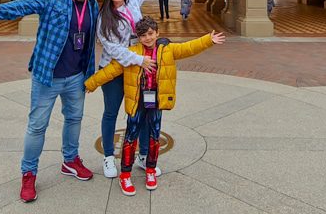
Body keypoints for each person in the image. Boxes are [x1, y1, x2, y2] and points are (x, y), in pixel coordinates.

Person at [0, 0, 100, 203]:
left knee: (74, 119)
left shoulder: (92, 5)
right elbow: (25, 5)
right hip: (47, 75)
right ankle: (28, 173)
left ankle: (70, 161)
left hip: (76, 77)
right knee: (37, 126)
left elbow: (91, 42)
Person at [86, 18, 225, 195]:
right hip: (137, 101)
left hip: (156, 101)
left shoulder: (167, 50)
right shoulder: (131, 53)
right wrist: (91, 83)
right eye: (143, 35)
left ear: (157, 33)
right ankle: (125, 175)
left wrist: (208, 40)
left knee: (154, 135)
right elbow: (111, 69)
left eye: (151, 34)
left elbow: (188, 47)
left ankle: (151, 169)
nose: (148, 38)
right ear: (138, 37)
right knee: (130, 137)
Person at [96, 0, 159, 179]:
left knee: (139, 113)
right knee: (111, 112)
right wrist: (140, 59)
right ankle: (108, 157)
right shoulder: (103, 16)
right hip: (114, 69)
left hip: (136, 70)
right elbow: (112, 48)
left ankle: (142, 155)